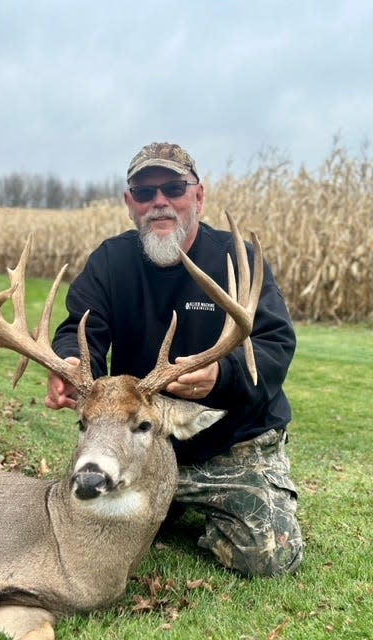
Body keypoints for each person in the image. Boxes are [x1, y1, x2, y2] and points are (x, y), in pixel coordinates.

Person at [45, 142, 303, 577]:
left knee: (267, 558)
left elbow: (275, 343)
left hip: (233, 442)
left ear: (198, 196)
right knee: (76, 520)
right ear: (130, 204)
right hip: (142, 446)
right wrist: (70, 363)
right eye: (144, 193)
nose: (159, 202)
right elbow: (80, 329)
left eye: (172, 188)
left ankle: (185, 512)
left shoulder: (237, 261)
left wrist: (223, 373)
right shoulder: (111, 262)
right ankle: (165, 509)